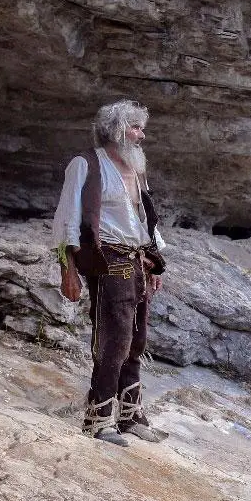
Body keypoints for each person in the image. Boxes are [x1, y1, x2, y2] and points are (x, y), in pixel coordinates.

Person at [52, 99, 167, 446]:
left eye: (141, 128)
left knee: (136, 339)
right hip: (109, 260)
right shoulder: (85, 164)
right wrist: (67, 269)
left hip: (137, 261)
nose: (141, 135)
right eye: (135, 127)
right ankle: (98, 419)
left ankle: (131, 417)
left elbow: (143, 217)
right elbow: (67, 220)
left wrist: (155, 259)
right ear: (115, 130)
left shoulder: (136, 169)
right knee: (113, 340)